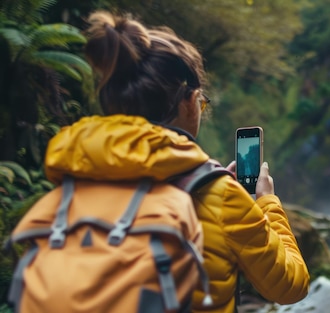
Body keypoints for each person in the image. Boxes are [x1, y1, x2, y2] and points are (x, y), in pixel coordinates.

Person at [44, 10, 309, 312]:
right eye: (201, 100)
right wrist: (266, 203)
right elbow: (291, 286)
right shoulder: (218, 195)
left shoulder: (79, 168)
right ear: (188, 100)